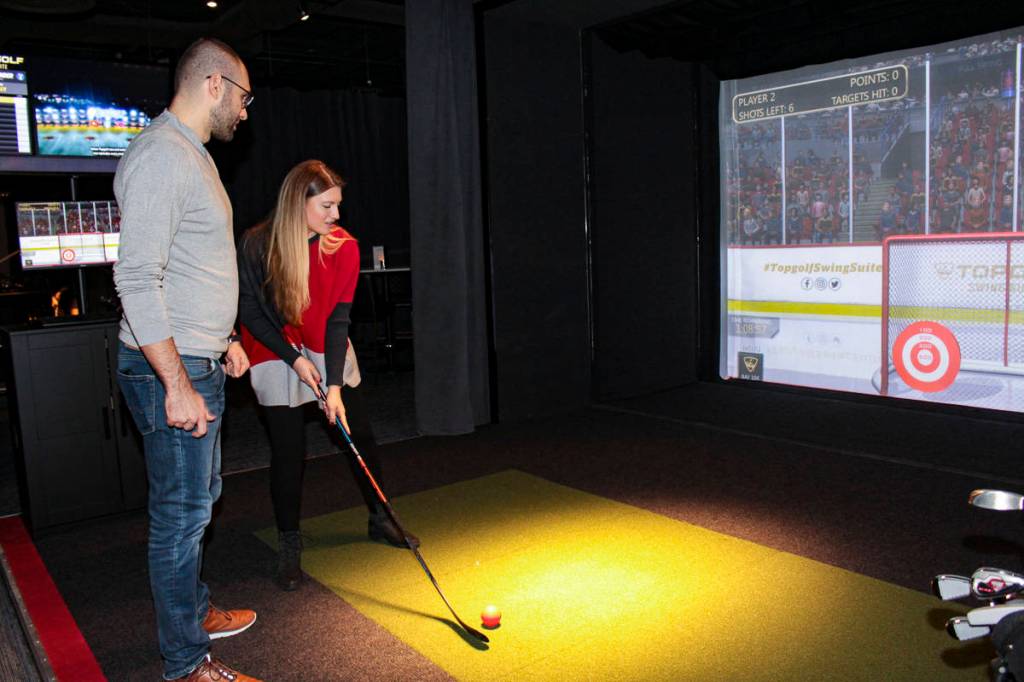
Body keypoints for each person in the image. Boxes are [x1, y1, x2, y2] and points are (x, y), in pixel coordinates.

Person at [112, 37, 261, 682]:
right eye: (244, 96)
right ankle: (185, 665)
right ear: (214, 84)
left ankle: (193, 614)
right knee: (179, 519)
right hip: (167, 372)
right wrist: (176, 382)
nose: (246, 112)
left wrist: (222, 337)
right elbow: (138, 279)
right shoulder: (162, 158)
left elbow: (188, 269)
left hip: (198, 358)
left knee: (201, 501)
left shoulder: (190, 156)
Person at [237, 160, 417, 592]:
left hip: (324, 344)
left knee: (360, 433)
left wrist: (332, 385)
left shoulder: (344, 248)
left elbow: (338, 323)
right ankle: (289, 541)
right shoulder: (257, 244)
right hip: (272, 347)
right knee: (288, 449)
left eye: (338, 206)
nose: (336, 216)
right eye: (327, 205)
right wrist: (294, 361)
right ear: (299, 202)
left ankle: (381, 516)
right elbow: (251, 313)